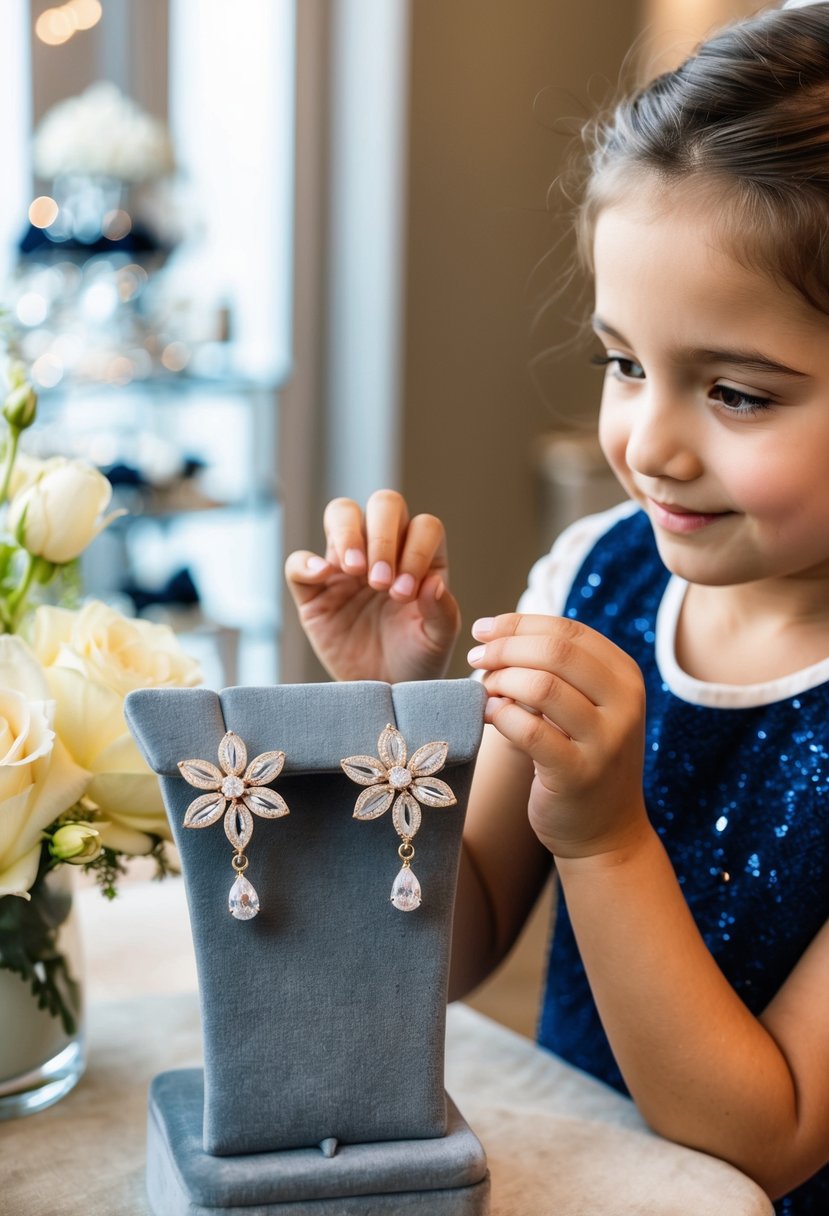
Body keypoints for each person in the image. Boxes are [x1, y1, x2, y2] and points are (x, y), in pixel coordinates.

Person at [285, 3, 829, 1210]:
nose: (650, 445)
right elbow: (453, 949)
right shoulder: (597, 573)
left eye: (736, 392)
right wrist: (403, 714)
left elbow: (771, 1136)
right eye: (623, 364)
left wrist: (603, 834)